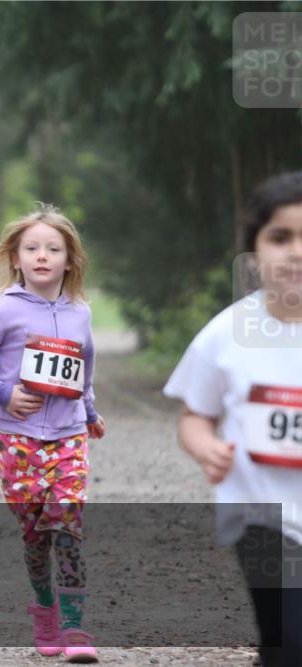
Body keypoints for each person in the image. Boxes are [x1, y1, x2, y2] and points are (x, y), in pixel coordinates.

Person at [163, 171, 302, 667]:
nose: (295, 252)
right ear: (254, 250)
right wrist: (205, 447)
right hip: (259, 513)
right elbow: (194, 416)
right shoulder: (227, 334)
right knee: (287, 634)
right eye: (280, 237)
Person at [0, 204, 105, 662]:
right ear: (16, 258)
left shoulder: (80, 313)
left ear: (69, 259)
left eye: (53, 249)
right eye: (32, 248)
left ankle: (76, 630)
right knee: (34, 534)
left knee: (67, 525)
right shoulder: (4, 310)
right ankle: (44, 610)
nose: (43, 256)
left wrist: (90, 411)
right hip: (16, 439)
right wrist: (2, 392)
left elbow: (84, 367)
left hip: (68, 435)